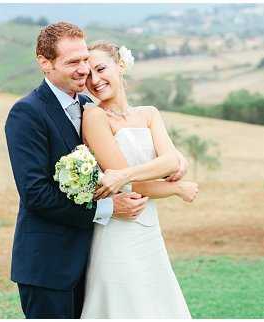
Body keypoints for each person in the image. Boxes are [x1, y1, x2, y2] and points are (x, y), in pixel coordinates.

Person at [79, 40, 198, 318]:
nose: (95, 81)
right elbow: (131, 187)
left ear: (120, 65)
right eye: (88, 75)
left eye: (100, 69)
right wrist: (176, 188)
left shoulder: (149, 114)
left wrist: (125, 174)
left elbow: (170, 160)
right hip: (118, 229)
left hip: (148, 229)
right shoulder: (95, 117)